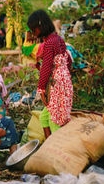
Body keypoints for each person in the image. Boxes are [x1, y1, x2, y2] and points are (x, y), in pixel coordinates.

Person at [27, 9, 73, 139]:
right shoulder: (58, 39)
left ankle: (58, 146)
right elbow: (68, 61)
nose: (33, 33)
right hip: (63, 81)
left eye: (34, 30)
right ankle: (49, 144)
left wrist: (41, 88)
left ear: (40, 26)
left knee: (55, 121)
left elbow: (46, 67)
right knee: (44, 117)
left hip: (57, 84)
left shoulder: (49, 43)